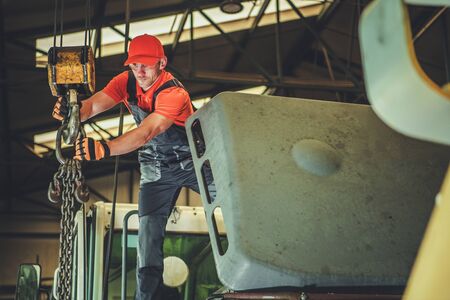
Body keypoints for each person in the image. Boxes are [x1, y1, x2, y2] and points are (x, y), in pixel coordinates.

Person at [52, 34, 215, 299]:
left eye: (146, 65)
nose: (139, 71)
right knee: (148, 236)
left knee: (231, 207)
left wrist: (106, 148)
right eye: (134, 65)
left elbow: (148, 131)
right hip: (156, 167)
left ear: (162, 63)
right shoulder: (125, 82)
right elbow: (93, 104)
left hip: (193, 162)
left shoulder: (174, 93)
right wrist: (73, 111)